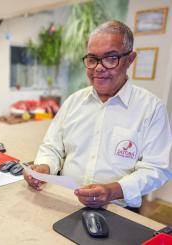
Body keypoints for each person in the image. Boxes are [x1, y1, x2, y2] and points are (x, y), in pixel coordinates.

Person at [24, 20, 172, 209]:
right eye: (92, 59)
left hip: (117, 209)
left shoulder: (151, 109)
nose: (99, 68)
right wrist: (44, 167)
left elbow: (156, 169)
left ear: (130, 59)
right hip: (64, 200)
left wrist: (113, 190)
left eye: (110, 58)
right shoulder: (73, 102)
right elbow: (52, 147)